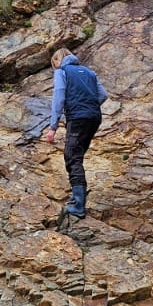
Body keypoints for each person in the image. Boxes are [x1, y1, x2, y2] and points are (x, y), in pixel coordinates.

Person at [43, 47, 109, 219]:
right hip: (94, 117)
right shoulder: (89, 72)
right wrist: (88, 106)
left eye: (54, 63)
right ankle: (77, 198)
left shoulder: (62, 71)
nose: (54, 67)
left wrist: (53, 127)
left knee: (72, 157)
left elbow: (59, 97)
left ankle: (79, 205)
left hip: (78, 118)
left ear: (57, 60)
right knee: (77, 156)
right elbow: (103, 95)